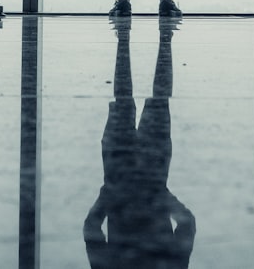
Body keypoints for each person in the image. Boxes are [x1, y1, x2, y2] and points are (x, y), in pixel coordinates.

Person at [83, 16, 195, 268]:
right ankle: (127, 39)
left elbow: (187, 223)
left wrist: (163, 197)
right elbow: (91, 228)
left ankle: (162, 39)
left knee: (157, 98)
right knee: (125, 98)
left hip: (149, 178)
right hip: (120, 179)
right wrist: (106, 197)